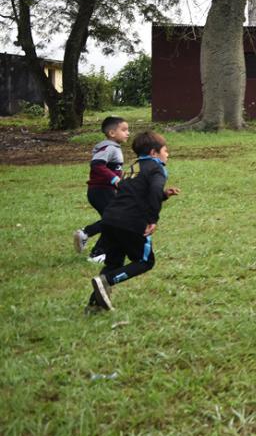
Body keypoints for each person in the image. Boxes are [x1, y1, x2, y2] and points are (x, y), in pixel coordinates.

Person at [87, 131, 181, 311]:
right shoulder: (157, 168)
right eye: (165, 150)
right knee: (145, 262)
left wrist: (164, 195)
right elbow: (154, 190)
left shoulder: (133, 167)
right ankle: (107, 280)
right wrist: (152, 219)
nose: (167, 154)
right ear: (154, 153)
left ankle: (95, 305)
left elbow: (133, 192)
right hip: (131, 221)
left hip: (110, 218)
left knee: (114, 263)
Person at [73, 115, 129, 262]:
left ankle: (94, 245)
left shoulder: (114, 148)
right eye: (124, 130)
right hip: (101, 191)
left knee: (114, 220)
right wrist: (114, 179)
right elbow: (97, 165)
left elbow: (113, 169)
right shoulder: (108, 147)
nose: (128, 133)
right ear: (112, 133)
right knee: (115, 220)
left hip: (105, 191)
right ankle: (94, 249)